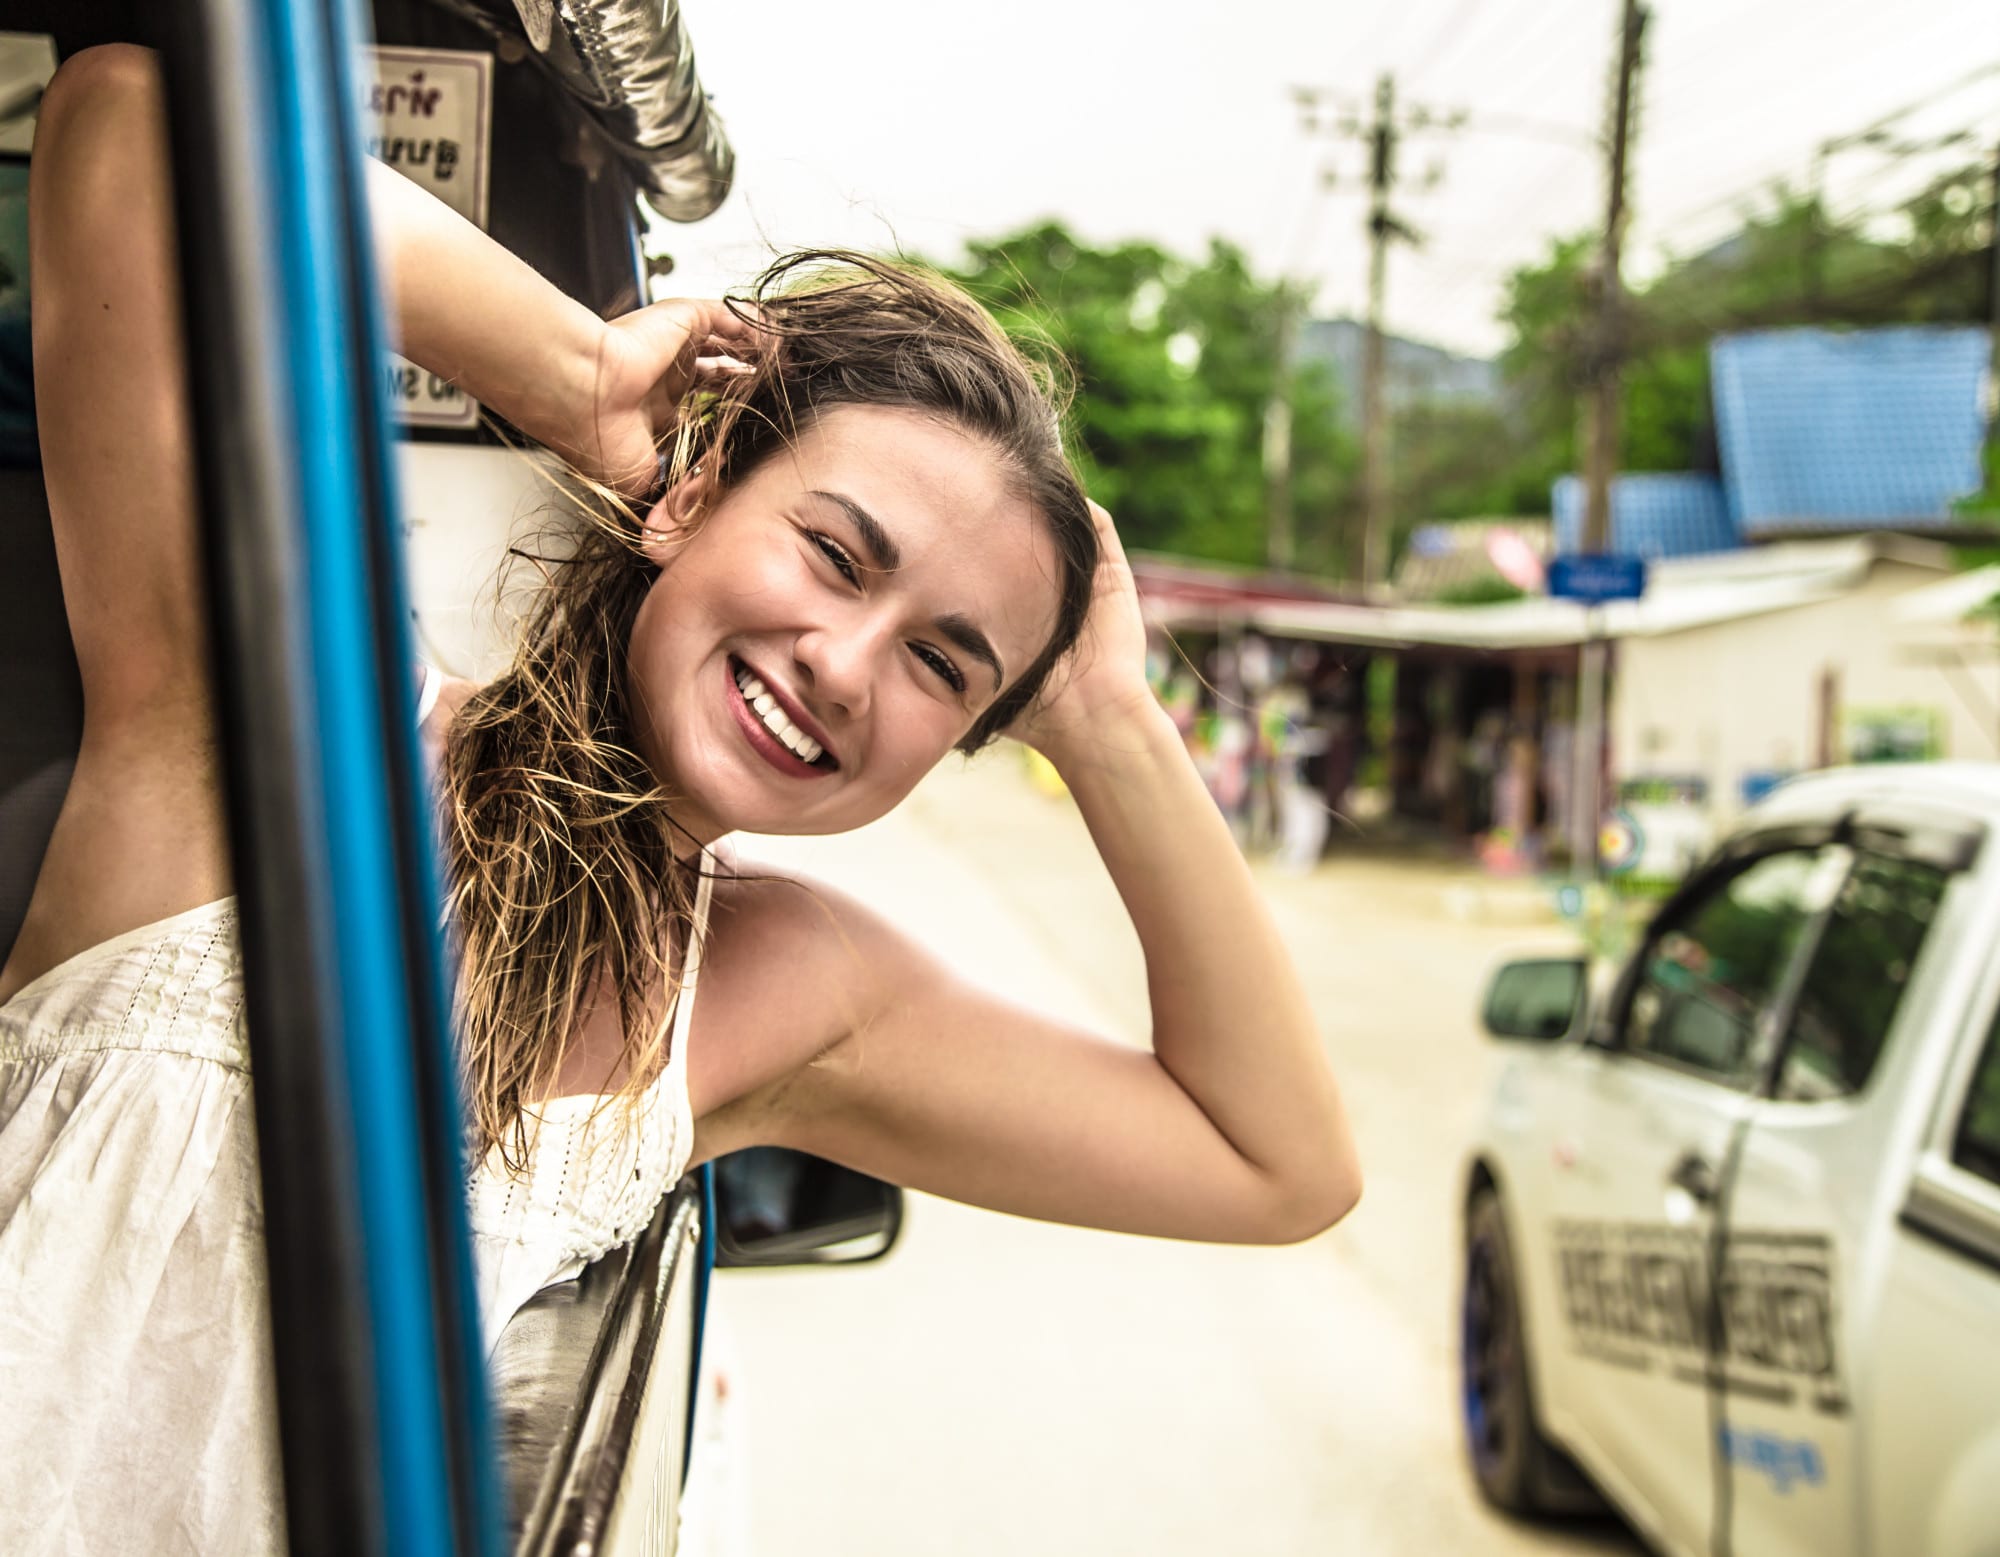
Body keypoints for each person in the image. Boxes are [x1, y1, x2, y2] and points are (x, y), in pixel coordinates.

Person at [0, 44, 1361, 1552]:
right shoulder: (292, 734)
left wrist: (1109, 723)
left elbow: (1277, 1162)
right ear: (693, 494)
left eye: (944, 664)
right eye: (838, 555)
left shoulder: (782, 987)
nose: (845, 664)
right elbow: (133, 126)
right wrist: (575, 375)